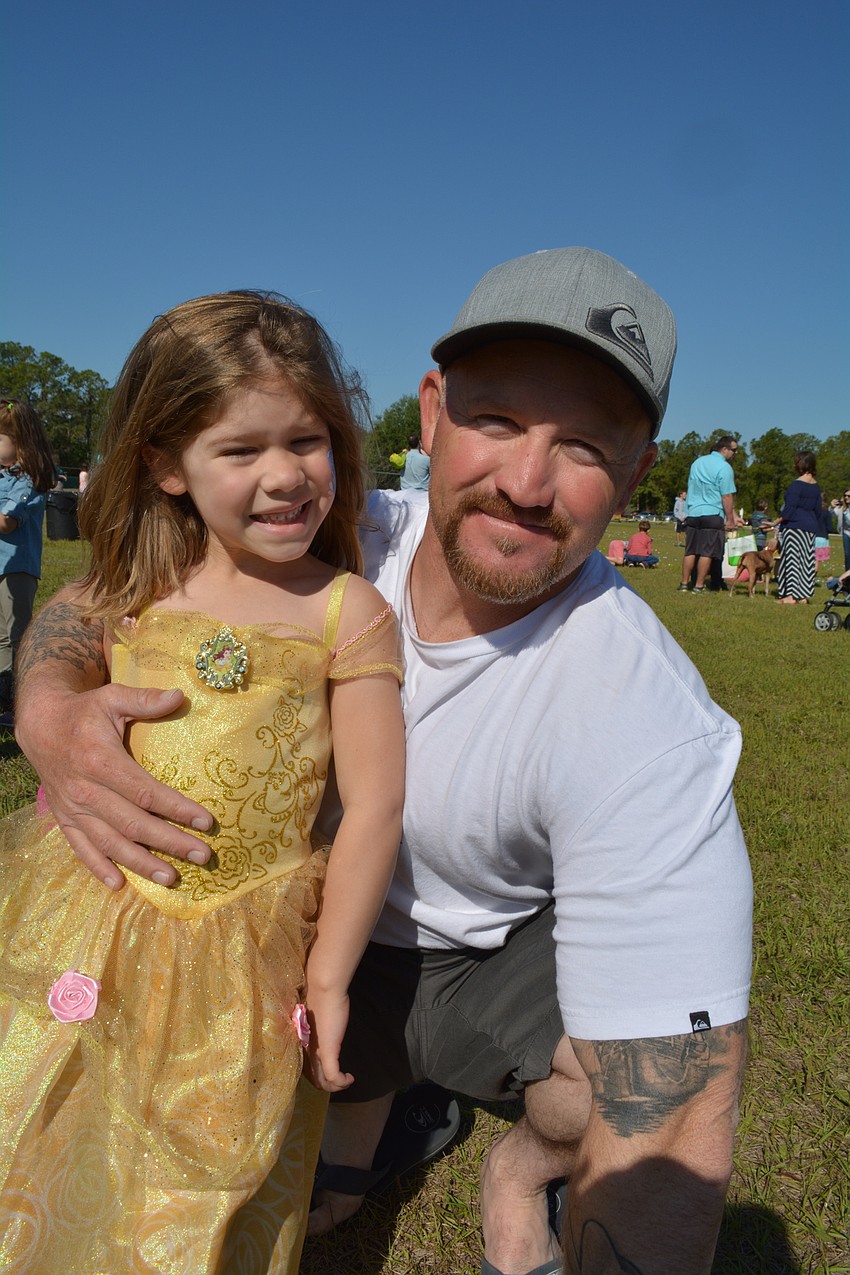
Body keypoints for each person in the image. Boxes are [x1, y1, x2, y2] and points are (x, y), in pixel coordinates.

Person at [13, 249, 752, 1275]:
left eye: (582, 445)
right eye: (498, 420)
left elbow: (676, 1102)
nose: (525, 483)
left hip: (472, 956)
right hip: (270, 927)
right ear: (433, 413)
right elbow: (98, 596)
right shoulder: (327, 523)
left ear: (636, 473)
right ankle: (373, 1115)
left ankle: (515, 1166)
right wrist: (48, 706)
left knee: (608, 1082)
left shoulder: (648, 722)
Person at [0, 291, 405, 1274]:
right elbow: (61, 654)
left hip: (245, 947)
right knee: (60, 1112)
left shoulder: (346, 610)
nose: (285, 474)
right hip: (98, 911)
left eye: (306, 440)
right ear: (165, 466)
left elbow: (375, 804)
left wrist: (330, 973)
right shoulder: (132, 584)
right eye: (241, 449)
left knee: (208, 1154)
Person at [0, 398, 56, 725]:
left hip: (17, 569)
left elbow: (6, 522)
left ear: (19, 443)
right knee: (1, 635)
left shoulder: (28, 480)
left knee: (15, 635)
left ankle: (16, 701)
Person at [678, 436, 743, 593]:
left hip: (693, 512)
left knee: (690, 551)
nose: (735, 453)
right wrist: (730, 519)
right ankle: (699, 586)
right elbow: (726, 496)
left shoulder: (698, 462)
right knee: (707, 552)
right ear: (724, 449)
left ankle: (684, 584)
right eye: (734, 450)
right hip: (712, 513)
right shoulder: (725, 467)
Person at [774, 450, 821, 605]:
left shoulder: (796, 485)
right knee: (806, 562)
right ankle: (803, 595)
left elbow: (789, 509)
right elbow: (818, 510)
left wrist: (775, 522)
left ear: (800, 464)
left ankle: (791, 596)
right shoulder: (816, 486)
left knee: (792, 560)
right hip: (810, 527)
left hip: (794, 526)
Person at [836, 488, 850, 571]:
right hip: (846, 533)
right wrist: (832, 506)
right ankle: (847, 575)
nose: (846, 497)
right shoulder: (842, 508)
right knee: (847, 555)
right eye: (845, 495)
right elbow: (832, 514)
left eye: (849, 496)